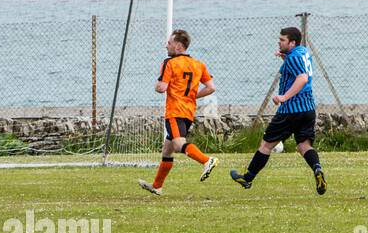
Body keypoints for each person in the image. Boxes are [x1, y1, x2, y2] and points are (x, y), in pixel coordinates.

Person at [230, 26, 326, 194]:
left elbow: (302, 78)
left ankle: (247, 178)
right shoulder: (303, 52)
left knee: (266, 145)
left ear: (292, 42)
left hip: (291, 110)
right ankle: (317, 169)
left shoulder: (293, 58)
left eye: (282, 40)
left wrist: (284, 97)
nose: (279, 42)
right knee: (304, 145)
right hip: (308, 108)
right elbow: (301, 71)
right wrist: (285, 58)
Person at [139, 29, 219, 195]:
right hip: (188, 112)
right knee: (167, 149)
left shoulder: (169, 63)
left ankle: (207, 160)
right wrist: (191, 95)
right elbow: (211, 87)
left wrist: (158, 85)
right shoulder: (198, 64)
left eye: (169, 43)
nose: (166, 45)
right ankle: (157, 186)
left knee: (177, 144)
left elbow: (161, 88)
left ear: (177, 46)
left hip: (175, 111)